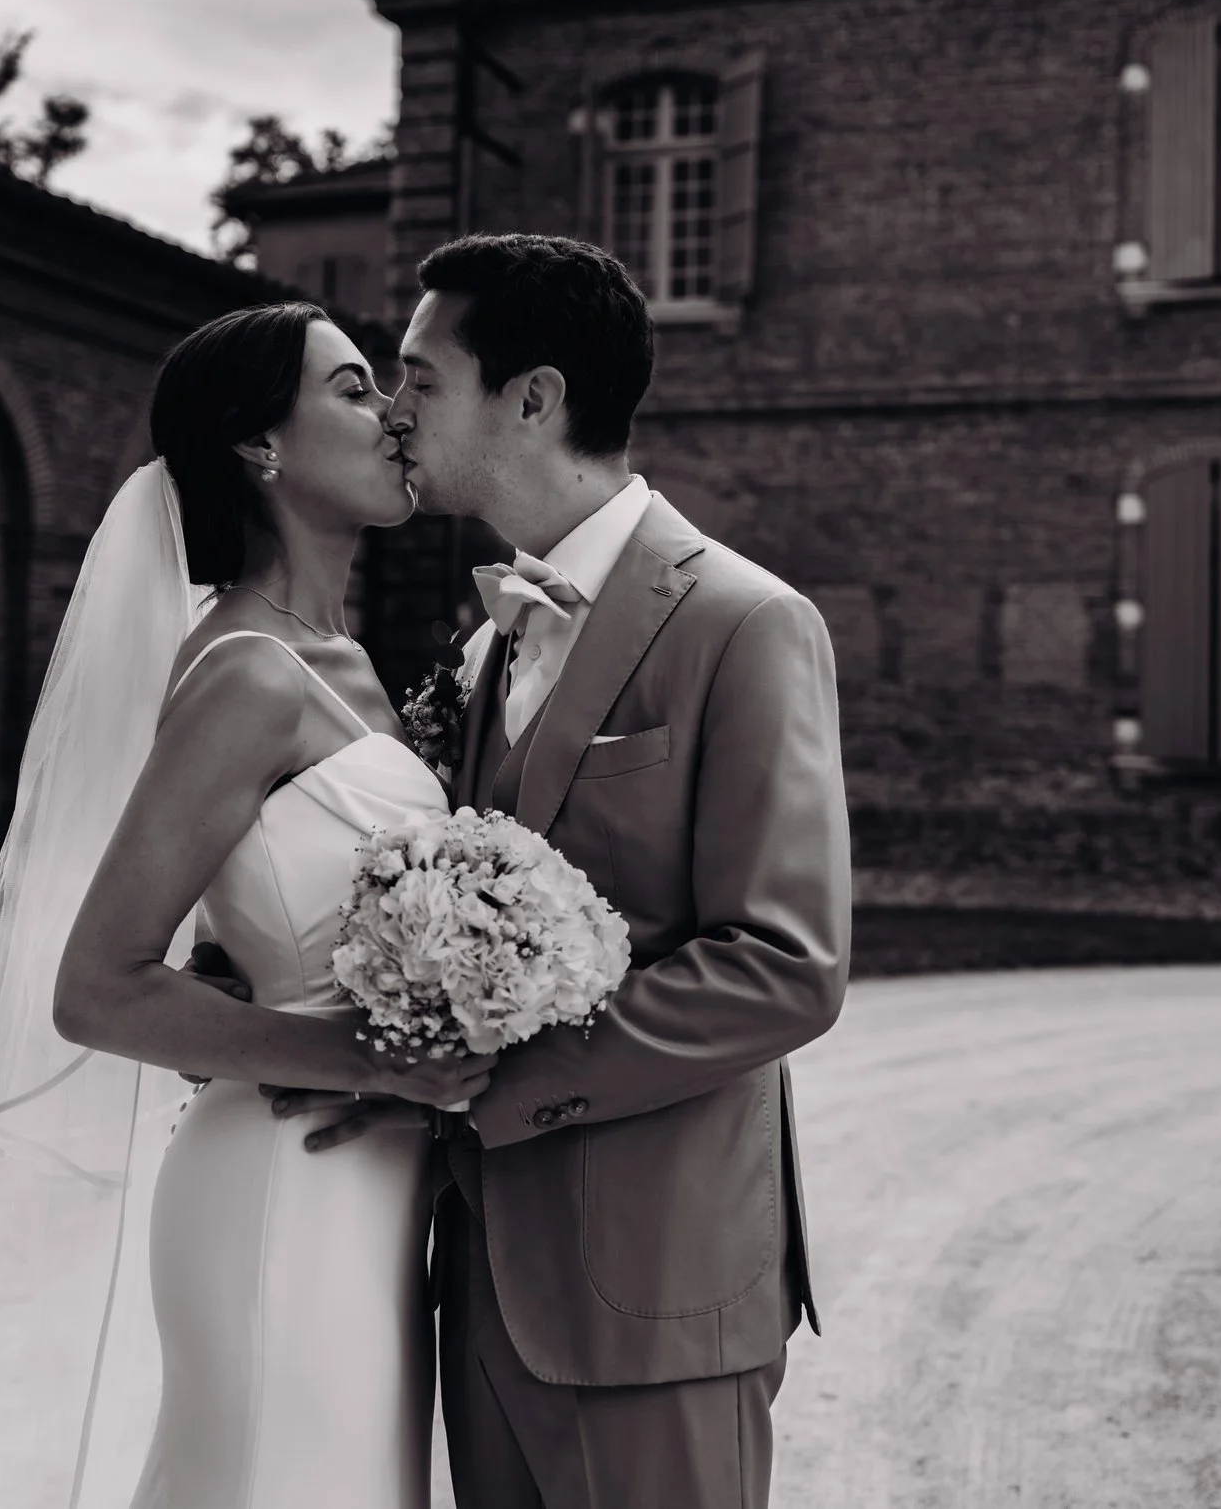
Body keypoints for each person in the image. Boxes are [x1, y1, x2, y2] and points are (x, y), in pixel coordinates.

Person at [279, 233, 854, 1509]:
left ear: (531, 397)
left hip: (655, 1284)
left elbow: (785, 965)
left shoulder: (745, 624)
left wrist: (480, 1082)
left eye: (421, 376)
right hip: (478, 1279)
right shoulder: (489, 643)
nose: (392, 407)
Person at [0, 302, 491, 1509]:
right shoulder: (246, 674)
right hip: (286, 1178)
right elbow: (97, 984)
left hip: (374, 1187)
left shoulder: (347, 662)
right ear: (257, 445)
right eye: (348, 389)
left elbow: (269, 909)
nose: (391, 413)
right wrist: (359, 1058)